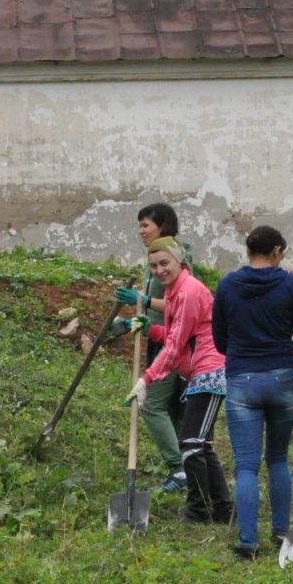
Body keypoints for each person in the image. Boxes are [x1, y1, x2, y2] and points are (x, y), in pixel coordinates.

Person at [213, 224, 293, 559]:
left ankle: (248, 542)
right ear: (276, 251)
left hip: (243, 378)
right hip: (283, 377)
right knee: (277, 457)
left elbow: (219, 340)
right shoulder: (289, 283)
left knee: (246, 465)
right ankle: (281, 530)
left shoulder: (228, 285)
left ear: (249, 251)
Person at [127, 236, 232, 524]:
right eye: (154, 266)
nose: (160, 270)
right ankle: (223, 510)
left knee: (192, 443)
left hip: (210, 371)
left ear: (179, 261)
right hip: (197, 371)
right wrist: (151, 329)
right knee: (201, 444)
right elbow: (176, 336)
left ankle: (199, 511)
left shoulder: (188, 292)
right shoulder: (174, 293)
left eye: (165, 263)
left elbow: (175, 348)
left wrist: (146, 380)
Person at [110, 202, 188, 494]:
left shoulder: (177, 258)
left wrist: (139, 300)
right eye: (139, 226)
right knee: (173, 408)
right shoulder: (155, 259)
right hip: (158, 338)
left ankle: (179, 470)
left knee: (152, 405)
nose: (141, 231)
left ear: (163, 224)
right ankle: (190, 467)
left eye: (146, 225)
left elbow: (179, 305)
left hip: (174, 343)